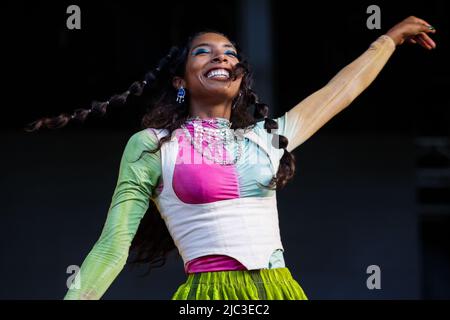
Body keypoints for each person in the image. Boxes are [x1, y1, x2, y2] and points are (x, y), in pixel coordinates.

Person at [26, 16, 437, 300]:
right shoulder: (151, 146)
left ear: (239, 77)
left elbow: (339, 91)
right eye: (202, 52)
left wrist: (389, 39)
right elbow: (112, 246)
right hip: (206, 297)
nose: (220, 56)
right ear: (180, 81)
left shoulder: (267, 138)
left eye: (229, 52)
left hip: (280, 290)